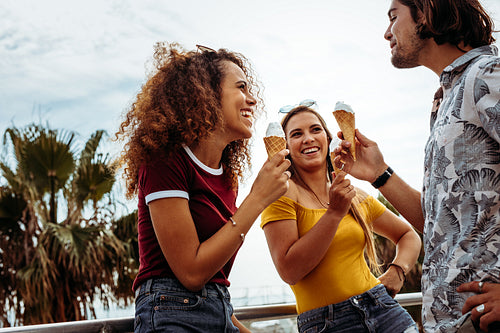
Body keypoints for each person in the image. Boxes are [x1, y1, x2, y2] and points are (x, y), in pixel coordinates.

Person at [332, 0, 500, 332]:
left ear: (426, 11)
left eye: (394, 17)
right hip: (450, 321)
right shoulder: (447, 97)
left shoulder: (487, 75)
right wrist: (379, 173)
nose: (386, 33)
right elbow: (440, 225)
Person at [115, 42, 291, 333]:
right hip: (169, 312)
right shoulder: (165, 160)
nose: (252, 100)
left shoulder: (226, 177)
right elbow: (192, 273)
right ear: (206, 95)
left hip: (219, 310)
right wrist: (258, 199)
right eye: (241, 88)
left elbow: (212, 283)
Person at [260, 104, 422, 333]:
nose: (308, 138)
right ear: (285, 147)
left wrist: (398, 271)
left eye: (315, 130)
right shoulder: (281, 193)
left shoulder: (354, 195)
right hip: (329, 324)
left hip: (383, 311)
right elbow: (289, 271)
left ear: (327, 139)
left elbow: (408, 235)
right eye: (297, 134)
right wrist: (334, 213)